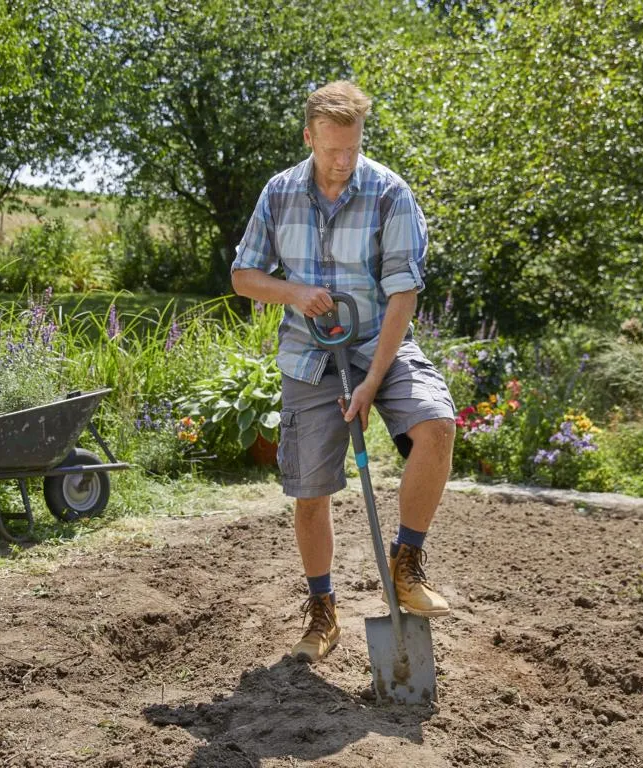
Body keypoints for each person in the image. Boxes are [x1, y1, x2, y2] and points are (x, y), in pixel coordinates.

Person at [231, 80, 456, 663]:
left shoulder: (388, 193)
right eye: (331, 149)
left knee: (436, 424)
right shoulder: (279, 193)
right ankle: (323, 610)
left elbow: (403, 293)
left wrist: (372, 381)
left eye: (351, 149)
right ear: (309, 137)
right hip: (311, 355)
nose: (342, 161)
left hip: (381, 342)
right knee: (310, 492)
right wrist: (294, 291)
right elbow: (243, 275)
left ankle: (406, 564)